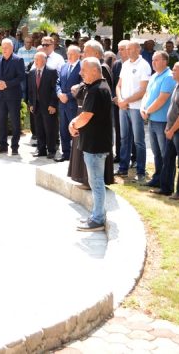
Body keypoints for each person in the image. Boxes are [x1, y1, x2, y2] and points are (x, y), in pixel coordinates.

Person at [68, 57, 113, 231]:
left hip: (95, 145)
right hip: (96, 143)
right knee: (96, 182)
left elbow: (86, 116)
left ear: (95, 70)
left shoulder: (96, 90)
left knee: (96, 183)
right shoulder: (99, 86)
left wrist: (73, 125)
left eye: (83, 70)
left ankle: (98, 219)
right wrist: (74, 123)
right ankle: (97, 214)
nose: (80, 73)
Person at [150, 61, 179, 200]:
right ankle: (166, 188)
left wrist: (172, 130)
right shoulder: (178, 85)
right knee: (168, 159)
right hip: (173, 128)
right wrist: (168, 126)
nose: (172, 72)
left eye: (175, 69)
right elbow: (174, 108)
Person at [69, 41, 114, 187]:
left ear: (96, 53)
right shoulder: (92, 73)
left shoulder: (101, 73)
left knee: (96, 179)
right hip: (89, 125)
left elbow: (86, 96)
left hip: (96, 132)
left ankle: (92, 187)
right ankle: (87, 181)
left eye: (86, 52)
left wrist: (74, 125)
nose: (83, 54)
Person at [140, 51, 176, 188]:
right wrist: (142, 108)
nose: (153, 63)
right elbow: (147, 94)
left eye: (156, 60)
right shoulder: (154, 76)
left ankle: (166, 183)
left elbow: (162, 99)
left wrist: (147, 111)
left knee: (165, 153)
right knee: (156, 153)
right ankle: (157, 179)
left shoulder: (169, 76)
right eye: (152, 60)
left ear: (164, 62)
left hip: (163, 121)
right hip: (152, 119)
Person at [115, 41, 151, 181]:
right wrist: (120, 100)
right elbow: (118, 85)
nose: (127, 51)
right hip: (123, 107)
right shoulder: (125, 65)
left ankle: (141, 171)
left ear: (138, 50)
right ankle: (123, 168)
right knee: (124, 139)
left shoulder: (144, 65)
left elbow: (143, 91)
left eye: (130, 49)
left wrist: (126, 101)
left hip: (136, 108)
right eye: (126, 49)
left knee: (138, 140)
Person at [0, 39, 25, 155]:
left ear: (12, 48)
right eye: (2, 48)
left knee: (15, 122)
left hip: (13, 96)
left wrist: (7, 84)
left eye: (6, 48)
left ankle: (15, 146)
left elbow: (21, 77)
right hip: (1, 96)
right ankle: (2, 145)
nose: (4, 50)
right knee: (2, 121)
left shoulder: (18, 60)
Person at [29, 52, 59, 159]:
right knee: (39, 128)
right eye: (35, 59)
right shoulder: (32, 72)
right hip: (36, 105)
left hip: (48, 106)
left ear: (44, 60)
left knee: (50, 128)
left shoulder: (51, 72)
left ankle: (51, 150)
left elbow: (55, 89)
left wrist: (53, 104)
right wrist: (31, 103)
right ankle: (41, 150)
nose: (36, 61)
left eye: (38, 59)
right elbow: (31, 90)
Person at [55, 46, 82, 162]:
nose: (69, 56)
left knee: (75, 129)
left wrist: (68, 96)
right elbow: (58, 82)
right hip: (63, 104)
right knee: (63, 129)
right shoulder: (64, 66)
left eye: (72, 54)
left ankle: (77, 154)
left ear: (78, 55)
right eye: (68, 53)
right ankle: (66, 152)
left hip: (74, 103)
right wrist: (59, 94)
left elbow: (82, 85)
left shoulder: (82, 67)